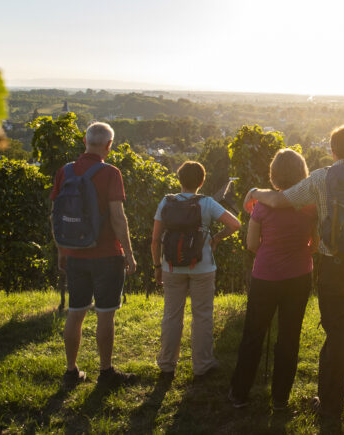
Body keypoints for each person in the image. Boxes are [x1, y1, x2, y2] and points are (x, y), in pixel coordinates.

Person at [247, 126, 344, 423]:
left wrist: (254, 192)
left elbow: (279, 200)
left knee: (336, 335)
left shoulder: (319, 178)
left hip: (334, 267)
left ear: (332, 151)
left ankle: (331, 407)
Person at [229, 149, 318, 411]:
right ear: (302, 173)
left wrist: (270, 253)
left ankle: (239, 394)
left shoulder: (263, 206)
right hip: (299, 276)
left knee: (253, 334)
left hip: (265, 278)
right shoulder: (309, 206)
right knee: (290, 337)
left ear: (274, 174)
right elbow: (315, 245)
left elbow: (251, 244)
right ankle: (280, 398)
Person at [50, 121, 137, 389]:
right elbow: (118, 218)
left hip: (75, 253)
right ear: (109, 145)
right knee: (105, 314)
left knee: (75, 312)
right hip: (106, 255)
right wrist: (130, 255)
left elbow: (55, 216)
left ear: (85, 141)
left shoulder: (65, 171)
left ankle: (70, 371)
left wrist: (62, 250)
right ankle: (106, 371)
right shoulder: (111, 173)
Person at [151, 161, 241, 380]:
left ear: (179, 179)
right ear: (202, 182)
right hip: (202, 267)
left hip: (171, 266)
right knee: (202, 316)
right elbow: (235, 224)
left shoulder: (166, 202)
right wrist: (217, 238)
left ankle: (166, 365)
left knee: (172, 315)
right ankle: (202, 364)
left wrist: (157, 266)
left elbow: (155, 240)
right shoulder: (207, 203)